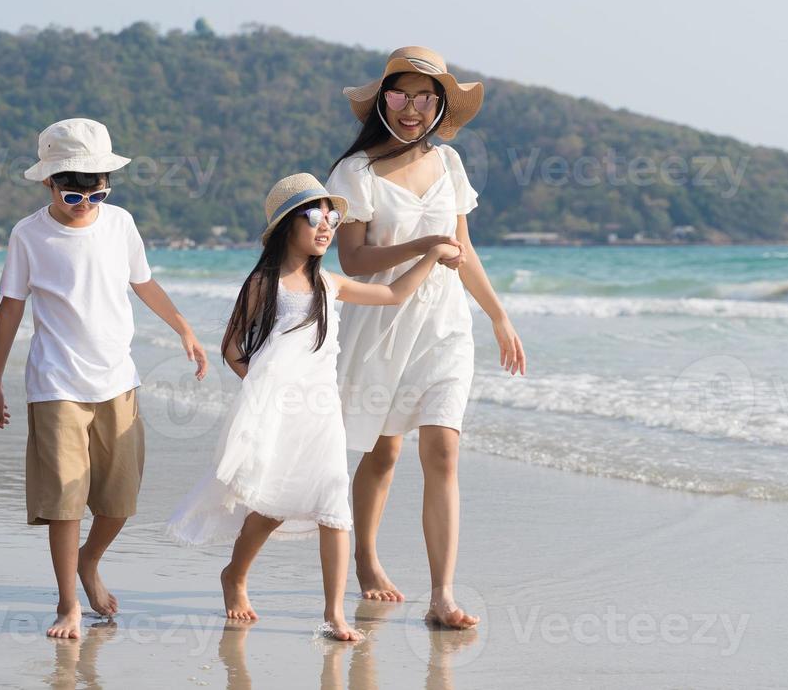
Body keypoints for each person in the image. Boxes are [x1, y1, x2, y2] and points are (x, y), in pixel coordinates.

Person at [166, 173, 460, 642]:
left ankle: (334, 615)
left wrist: (429, 256)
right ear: (287, 225)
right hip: (279, 413)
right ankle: (235, 575)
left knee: (332, 506)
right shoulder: (264, 283)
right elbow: (232, 347)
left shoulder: (329, 282)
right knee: (271, 504)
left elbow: (392, 295)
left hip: (322, 414)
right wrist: (264, 391)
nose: (326, 225)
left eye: (332, 216)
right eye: (314, 216)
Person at [324, 45, 527, 629]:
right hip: (380, 323)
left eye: (424, 97)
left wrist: (497, 315)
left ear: (439, 105)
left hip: (444, 326)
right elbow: (353, 260)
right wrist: (419, 247)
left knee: (443, 448)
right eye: (400, 94)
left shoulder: (450, 164)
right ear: (381, 101)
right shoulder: (354, 174)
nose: (411, 108)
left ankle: (442, 594)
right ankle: (365, 557)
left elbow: (462, 252)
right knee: (383, 452)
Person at [0, 117, 209, 640]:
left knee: (119, 500)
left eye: (98, 191)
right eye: (72, 193)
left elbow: (144, 284)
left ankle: (89, 562)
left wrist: (184, 328)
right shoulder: (28, 235)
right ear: (47, 183)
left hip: (117, 383)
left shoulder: (121, 224)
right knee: (65, 500)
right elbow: (13, 308)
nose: (86, 202)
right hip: (55, 385)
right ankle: (67, 603)